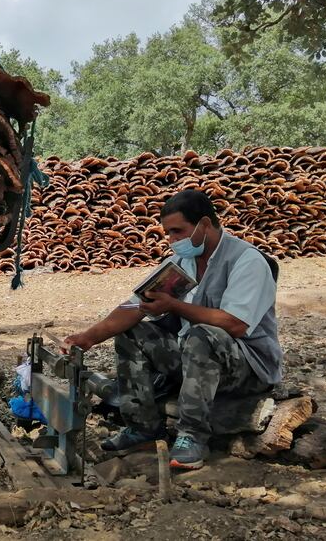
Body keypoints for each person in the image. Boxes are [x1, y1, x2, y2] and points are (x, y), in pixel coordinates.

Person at [65, 190, 281, 470]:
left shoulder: (247, 261)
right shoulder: (182, 263)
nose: (173, 241)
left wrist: (173, 306)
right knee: (133, 334)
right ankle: (143, 428)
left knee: (203, 335)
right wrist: (87, 339)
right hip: (198, 358)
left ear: (204, 224)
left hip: (248, 368)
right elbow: (134, 306)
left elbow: (234, 324)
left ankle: (192, 436)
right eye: (168, 233)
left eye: (178, 231)